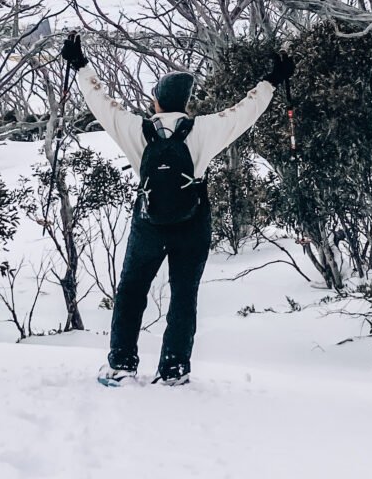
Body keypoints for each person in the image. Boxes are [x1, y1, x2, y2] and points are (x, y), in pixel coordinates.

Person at [60, 32, 293, 387]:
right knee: (184, 296)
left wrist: (80, 64)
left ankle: (121, 366)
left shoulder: (135, 129)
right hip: (192, 223)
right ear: (184, 102)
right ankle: (173, 371)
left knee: (132, 292)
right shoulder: (204, 130)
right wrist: (272, 80)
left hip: (148, 222)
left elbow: (100, 103)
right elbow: (245, 112)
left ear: (156, 101)